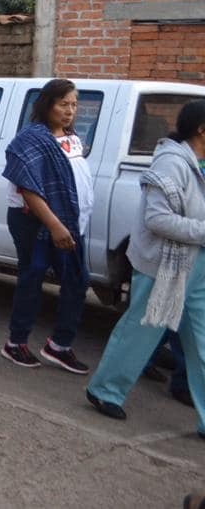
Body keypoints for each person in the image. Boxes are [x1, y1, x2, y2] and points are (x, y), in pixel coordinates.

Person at [86, 100, 205, 425]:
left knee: (202, 341)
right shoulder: (171, 163)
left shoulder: (200, 163)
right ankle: (106, 390)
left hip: (197, 267)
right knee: (142, 330)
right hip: (164, 266)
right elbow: (157, 219)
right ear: (201, 129)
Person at [0, 78, 93, 373]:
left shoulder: (72, 137)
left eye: (74, 105)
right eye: (63, 104)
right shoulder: (32, 139)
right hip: (35, 222)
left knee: (77, 280)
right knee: (33, 276)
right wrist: (54, 225)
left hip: (71, 223)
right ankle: (15, 343)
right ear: (48, 104)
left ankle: (59, 345)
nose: (69, 111)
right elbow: (28, 188)